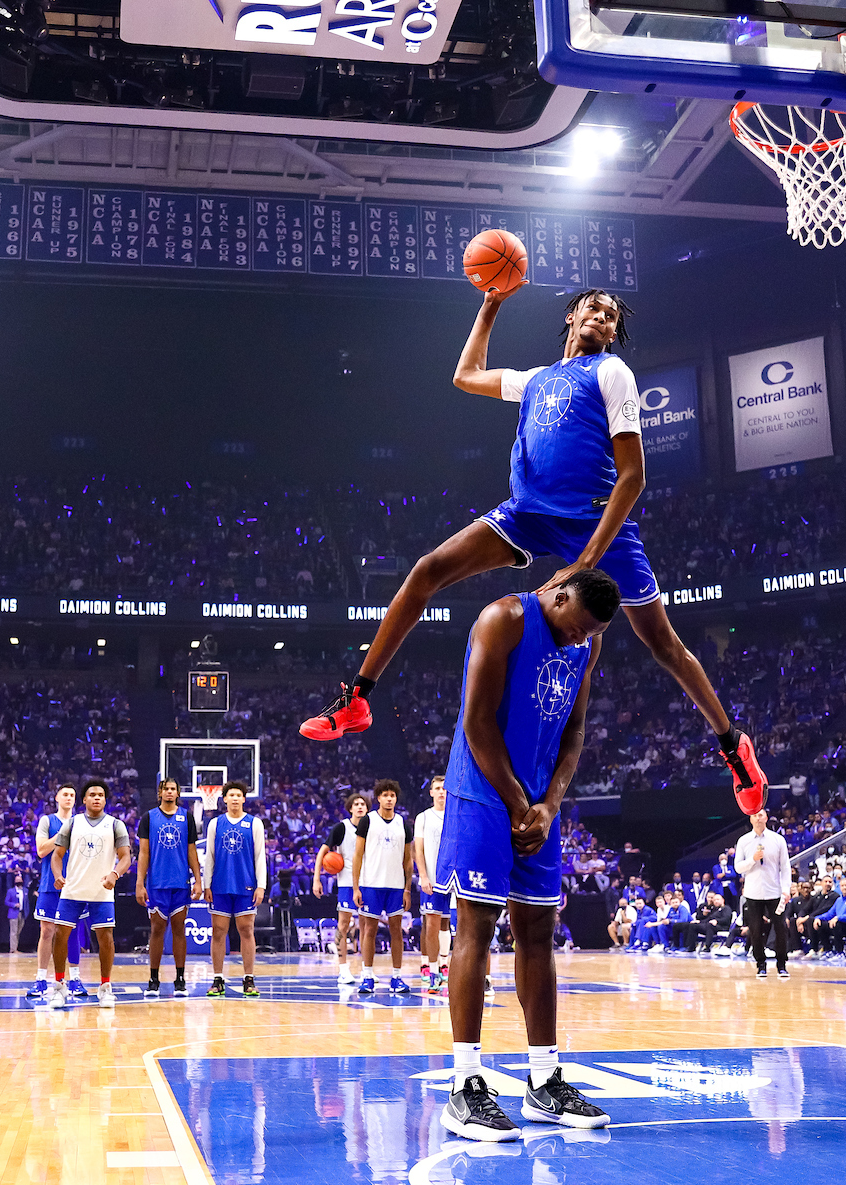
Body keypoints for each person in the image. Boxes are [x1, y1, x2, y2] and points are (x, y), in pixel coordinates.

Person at [299, 289, 767, 818]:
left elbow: (633, 477)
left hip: (595, 519)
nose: (603, 317)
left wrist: (587, 561)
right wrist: (493, 302)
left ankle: (733, 747)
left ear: (613, 333)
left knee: (662, 644)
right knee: (426, 570)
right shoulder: (536, 379)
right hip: (527, 513)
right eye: (594, 308)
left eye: (612, 316)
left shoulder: (612, 373)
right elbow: (465, 374)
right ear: (572, 315)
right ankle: (358, 697)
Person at [436, 568, 620, 1140]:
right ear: (558, 596)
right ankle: (464, 1085)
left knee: (539, 932)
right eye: (575, 626)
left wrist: (549, 804)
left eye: (589, 634)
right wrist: (519, 803)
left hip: (539, 802)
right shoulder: (504, 619)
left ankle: (544, 1083)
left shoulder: (584, 641)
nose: (578, 639)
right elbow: (476, 722)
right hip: (483, 792)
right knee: (476, 926)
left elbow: (576, 735)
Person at [48, 779, 131, 1009]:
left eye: (101, 795)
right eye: (92, 794)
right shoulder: (72, 824)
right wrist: (57, 874)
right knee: (60, 935)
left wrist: (114, 874)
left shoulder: (116, 825)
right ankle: (59, 986)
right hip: (73, 888)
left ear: (105, 800)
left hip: (102, 890)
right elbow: (56, 855)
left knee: (105, 939)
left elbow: (126, 857)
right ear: (84, 799)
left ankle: (105, 987)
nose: (97, 798)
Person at [136, 777, 203, 998]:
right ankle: (153, 979)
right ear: (160, 792)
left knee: (178, 930)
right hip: (156, 883)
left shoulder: (187, 817)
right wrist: (140, 882)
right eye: (166, 789)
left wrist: (198, 880)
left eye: (173, 789)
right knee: (156, 930)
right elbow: (143, 852)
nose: (169, 792)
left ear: (177, 793)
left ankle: (180, 978)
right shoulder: (148, 818)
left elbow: (192, 850)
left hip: (180, 883)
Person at [203, 780, 267, 998]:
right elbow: (209, 856)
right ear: (224, 799)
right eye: (231, 795)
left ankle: (248, 979)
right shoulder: (215, 824)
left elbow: (260, 857)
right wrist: (206, 884)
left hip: (246, 884)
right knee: (218, 932)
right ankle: (218, 979)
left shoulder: (254, 823)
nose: (235, 799)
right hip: (220, 884)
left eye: (238, 795)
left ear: (244, 799)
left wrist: (261, 886)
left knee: (246, 931)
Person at [352, 778, 413, 996]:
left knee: (397, 931)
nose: (389, 799)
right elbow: (357, 855)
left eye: (392, 795)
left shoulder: (403, 824)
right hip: (371, 885)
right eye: (385, 795)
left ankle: (396, 977)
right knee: (370, 929)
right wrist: (356, 887)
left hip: (396, 886)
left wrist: (407, 889)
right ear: (378, 798)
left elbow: (408, 860)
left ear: (396, 799)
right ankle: (367, 975)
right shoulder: (367, 821)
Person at [28, 784, 86, 1001]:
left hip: (75, 885)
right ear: (57, 798)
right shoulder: (47, 821)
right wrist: (63, 833)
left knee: (72, 931)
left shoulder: (82, 822)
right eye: (65, 794)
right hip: (50, 884)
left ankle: (75, 978)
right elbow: (41, 850)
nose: (69, 798)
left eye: (72, 795)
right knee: (47, 931)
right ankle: (41, 978)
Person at [312, 792, 370, 986]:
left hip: (369, 880)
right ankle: (343, 970)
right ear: (350, 808)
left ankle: (366, 971)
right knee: (343, 925)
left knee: (367, 927)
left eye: (363, 804)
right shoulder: (341, 828)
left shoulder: (372, 827)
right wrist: (316, 879)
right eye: (356, 804)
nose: (360, 807)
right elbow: (322, 852)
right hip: (346, 882)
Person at [734, 809, 791, 980]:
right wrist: (753, 859)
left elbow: (785, 867)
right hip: (753, 893)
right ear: (750, 819)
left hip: (774, 892)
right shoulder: (744, 841)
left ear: (766, 817)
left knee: (780, 929)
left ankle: (782, 965)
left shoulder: (778, 840)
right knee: (755, 930)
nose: (758, 818)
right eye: (754, 816)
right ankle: (761, 965)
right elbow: (738, 868)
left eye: (760, 815)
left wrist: (786, 889)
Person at [414, 775, 451, 991]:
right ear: (431, 792)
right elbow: (418, 850)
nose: (441, 792)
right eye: (437, 788)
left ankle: (445, 964)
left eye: (444, 789)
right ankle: (432, 968)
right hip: (432, 879)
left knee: (447, 925)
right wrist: (423, 876)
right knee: (431, 925)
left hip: (452, 880)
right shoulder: (423, 817)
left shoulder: (455, 816)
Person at [812, 876, 846, 958]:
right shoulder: (839, 900)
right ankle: (828, 950)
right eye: (842, 885)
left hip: (843, 924)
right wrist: (818, 918)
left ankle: (840, 953)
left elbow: (837, 917)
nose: (844, 887)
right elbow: (829, 914)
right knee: (822, 925)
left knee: (837, 924)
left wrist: (838, 918)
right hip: (839, 924)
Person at [5, 871, 27, 954]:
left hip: (22, 913)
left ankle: (15, 947)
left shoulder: (25, 891)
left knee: (18, 931)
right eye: (17, 880)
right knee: (13, 932)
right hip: (13, 913)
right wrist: (14, 905)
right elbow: (6, 902)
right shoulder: (11, 891)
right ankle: (13, 949)